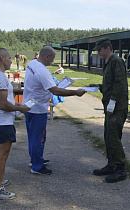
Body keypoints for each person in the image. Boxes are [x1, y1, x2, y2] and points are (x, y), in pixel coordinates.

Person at [23, 46, 86, 175]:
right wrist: (75, 92)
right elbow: (55, 91)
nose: (52, 61)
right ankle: (37, 166)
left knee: (32, 136)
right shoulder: (42, 70)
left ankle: (35, 159)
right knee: (38, 138)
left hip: (29, 105)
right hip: (38, 109)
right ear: (47, 57)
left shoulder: (32, 63)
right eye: (52, 58)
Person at [0, 48, 31, 200]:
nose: (11, 60)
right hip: (2, 122)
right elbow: (3, 104)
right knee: (2, 156)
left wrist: (16, 107)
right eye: (9, 58)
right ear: (2, 58)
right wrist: (20, 107)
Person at [89, 38, 128, 183]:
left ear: (107, 48)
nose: (98, 52)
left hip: (117, 107)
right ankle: (111, 165)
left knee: (113, 137)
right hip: (111, 106)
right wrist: (99, 86)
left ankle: (120, 169)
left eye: (100, 49)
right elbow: (111, 84)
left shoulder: (116, 61)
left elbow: (120, 84)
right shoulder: (109, 63)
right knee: (108, 136)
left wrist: (112, 102)